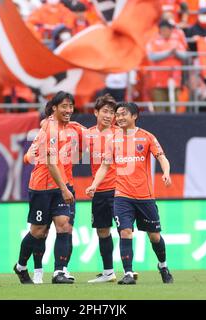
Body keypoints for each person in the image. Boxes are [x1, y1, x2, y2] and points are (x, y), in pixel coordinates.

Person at [86, 102, 173, 285]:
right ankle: (128, 273)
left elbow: (162, 157)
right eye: (118, 115)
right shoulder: (113, 140)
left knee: (154, 236)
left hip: (145, 196)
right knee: (125, 232)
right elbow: (105, 165)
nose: (119, 118)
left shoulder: (147, 137)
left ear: (134, 116)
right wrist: (94, 184)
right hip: (122, 195)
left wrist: (166, 172)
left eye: (123, 114)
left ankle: (163, 266)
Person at [14, 91, 78, 285]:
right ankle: (21, 266)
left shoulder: (68, 127)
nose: (68, 110)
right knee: (38, 231)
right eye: (64, 106)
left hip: (61, 185)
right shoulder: (50, 129)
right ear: (54, 108)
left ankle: (59, 272)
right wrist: (65, 189)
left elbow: (28, 157)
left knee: (64, 224)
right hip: (42, 186)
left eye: (70, 106)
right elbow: (49, 162)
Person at [84, 94, 119, 283]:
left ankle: (129, 270)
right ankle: (108, 272)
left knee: (125, 229)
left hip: (119, 189)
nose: (108, 115)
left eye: (112, 112)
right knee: (102, 231)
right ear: (95, 112)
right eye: (105, 111)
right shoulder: (87, 135)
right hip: (99, 191)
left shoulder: (120, 134)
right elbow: (71, 151)